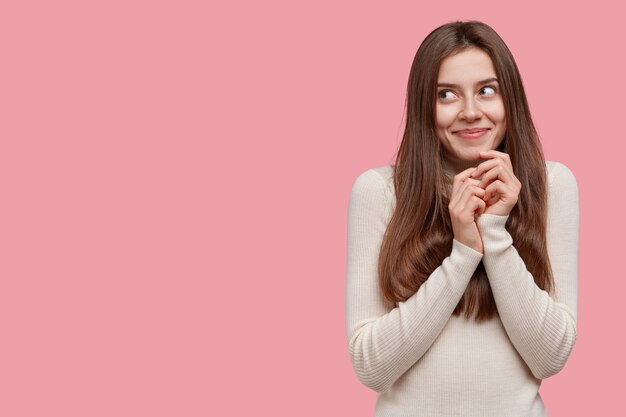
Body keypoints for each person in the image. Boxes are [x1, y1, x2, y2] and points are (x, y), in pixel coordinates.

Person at [345, 21, 578, 416]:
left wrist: (494, 232)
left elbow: (550, 357)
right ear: (425, 106)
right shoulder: (380, 192)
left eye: (487, 90)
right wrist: (463, 253)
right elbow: (371, 367)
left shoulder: (551, 184)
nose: (471, 112)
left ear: (511, 99)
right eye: (447, 94)